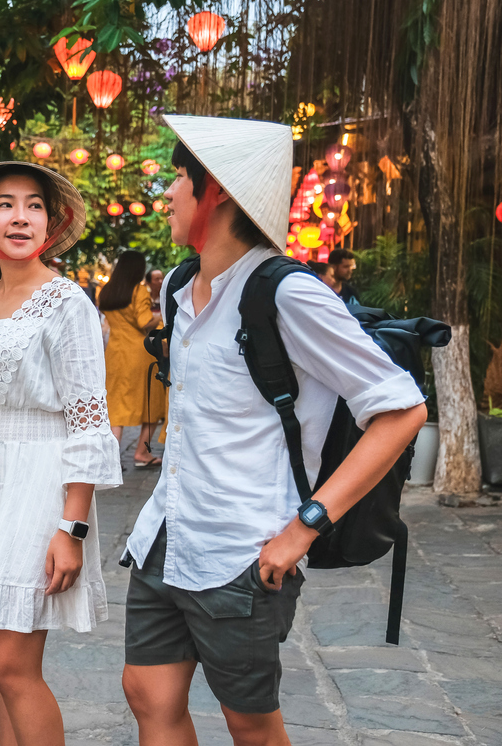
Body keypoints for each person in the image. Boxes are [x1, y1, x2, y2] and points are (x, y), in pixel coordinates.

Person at [121, 115, 428, 746]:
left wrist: (305, 527)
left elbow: (401, 408)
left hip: (243, 553)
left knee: (251, 725)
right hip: (167, 533)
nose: (168, 193)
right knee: (147, 693)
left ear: (219, 193)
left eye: (179, 178)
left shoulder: (288, 294)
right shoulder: (181, 286)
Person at [0, 162, 121, 746]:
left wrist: (73, 526)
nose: (20, 216)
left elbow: (88, 421)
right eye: (6, 204)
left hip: (39, 484)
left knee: (14, 665)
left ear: (50, 223)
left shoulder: (67, 304)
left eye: (33, 205)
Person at [99, 251, 163, 468]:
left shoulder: (107, 291)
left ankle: (110, 458)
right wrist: (162, 316)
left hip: (115, 354)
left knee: (116, 407)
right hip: (139, 354)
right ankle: (143, 454)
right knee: (152, 404)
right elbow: (144, 321)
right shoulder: (139, 291)